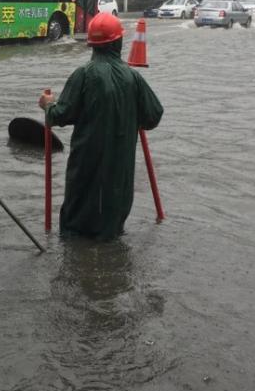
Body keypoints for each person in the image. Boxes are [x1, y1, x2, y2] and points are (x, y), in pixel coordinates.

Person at [38, 12, 163, 240]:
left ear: (91, 45)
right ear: (119, 42)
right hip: (120, 176)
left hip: (86, 170)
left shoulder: (83, 75)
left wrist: (47, 105)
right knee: (112, 231)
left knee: (77, 232)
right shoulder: (133, 78)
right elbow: (154, 115)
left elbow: (60, 115)